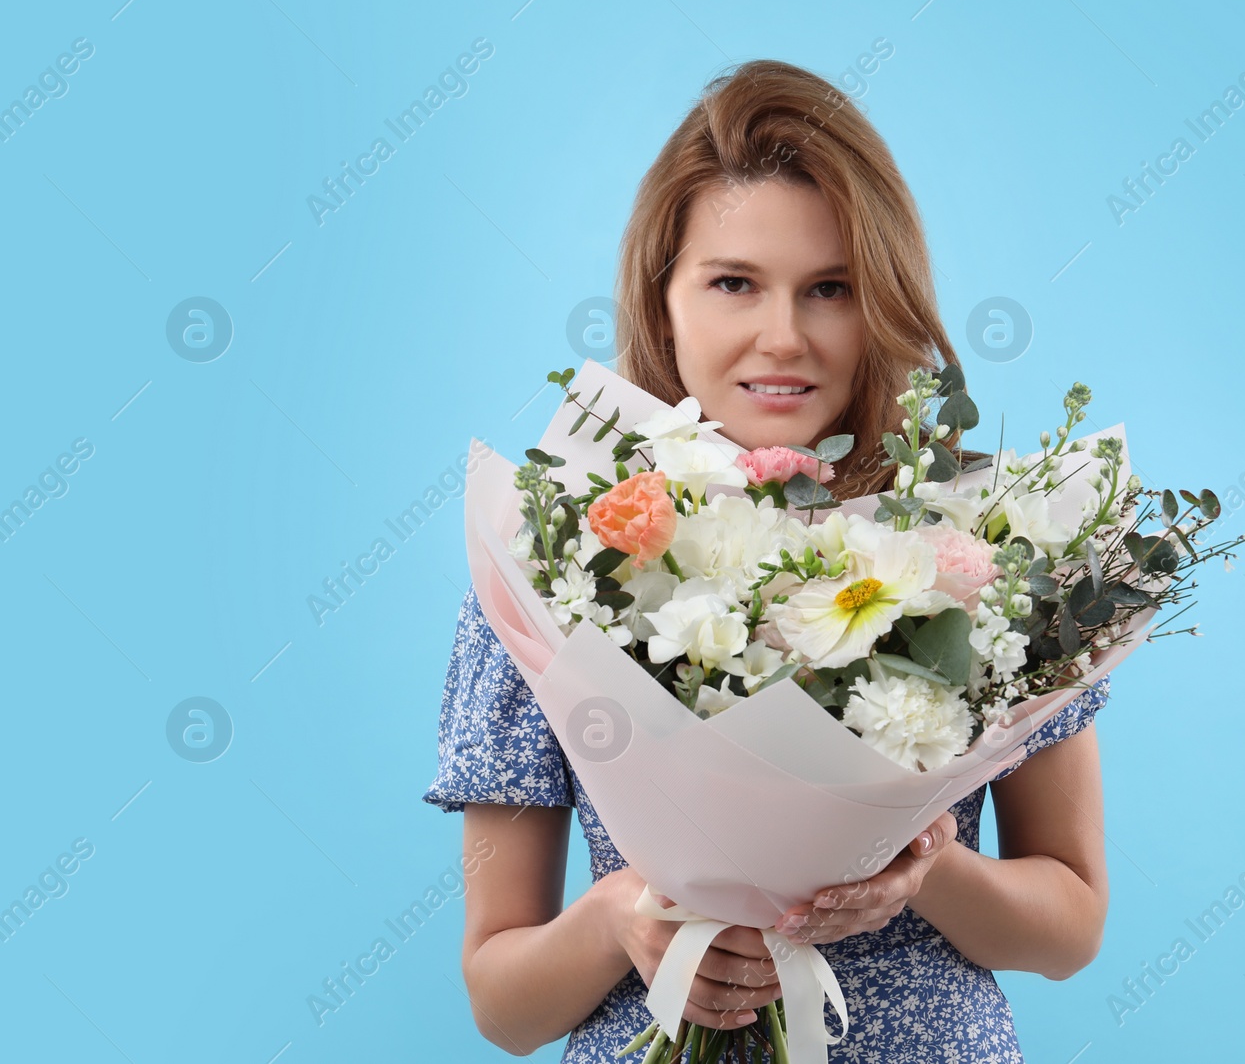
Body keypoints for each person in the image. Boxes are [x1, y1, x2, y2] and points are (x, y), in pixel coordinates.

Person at [423, 58, 1112, 1061]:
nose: (783, 336)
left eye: (829, 288)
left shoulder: (985, 548)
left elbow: (1070, 926)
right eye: (734, 283)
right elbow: (502, 1001)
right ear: (663, 299)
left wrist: (927, 870)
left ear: (878, 299)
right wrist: (623, 919)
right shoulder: (555, 557)